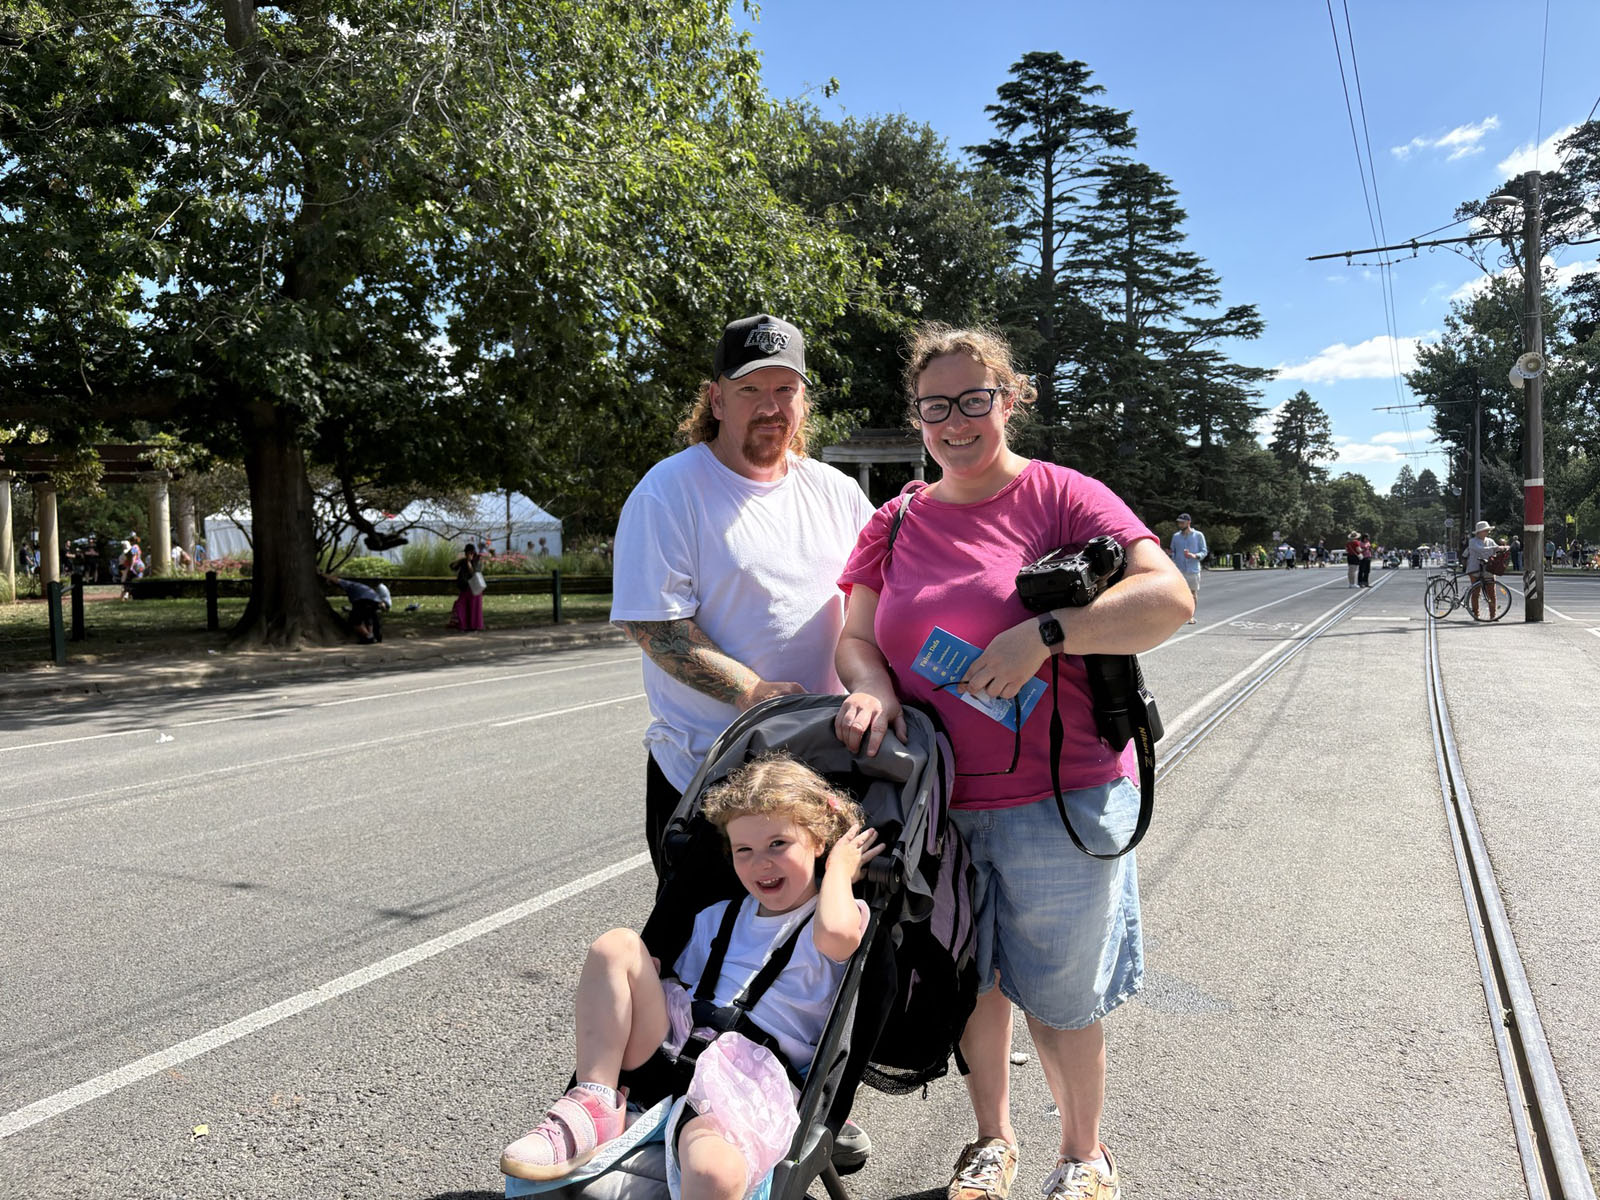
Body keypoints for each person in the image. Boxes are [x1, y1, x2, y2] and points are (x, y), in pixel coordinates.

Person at [832, 324, 1191, 1200]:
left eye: (974, 400)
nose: (955, 422)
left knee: (1060, 998)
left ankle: (1084, 1155)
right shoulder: (896, 520)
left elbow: (1169, 598)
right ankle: (993, 1141)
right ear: (917, 416)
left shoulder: (1063, 496)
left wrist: (1046, 634)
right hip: (937, 800)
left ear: (1010, 398)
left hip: (1059, 801)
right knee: (971, 981)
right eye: (936, 407)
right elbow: (854, 637)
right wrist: (870, 687)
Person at [610, 313, 875, 1168]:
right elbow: (656, 626)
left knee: (819, 956)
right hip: (706, 777)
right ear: (716, 399)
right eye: (752, 389)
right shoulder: (671, 490)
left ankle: (799, 1103)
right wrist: (752, 693)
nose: (770, 406)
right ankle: (650, 1101)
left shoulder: (835, 493)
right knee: (694, 947)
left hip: (820, 778)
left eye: (785, 390)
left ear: (804, 400)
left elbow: (876, 603)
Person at [499, 754, 881, 1199]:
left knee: (714, 1173)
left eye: (778, 844)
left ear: (818, 842)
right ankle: (593, 1104)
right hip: (675, 1046)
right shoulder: (716, 917)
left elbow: (837, 933)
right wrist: (647, 984)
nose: (761, 863)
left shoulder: (834, 918)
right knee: (617, 945)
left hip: (744, 1085)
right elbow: (684, 991)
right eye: (744, 851)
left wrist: (839, 870)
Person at [323, 571, 385, 642]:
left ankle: (369, 636)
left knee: (355, 621)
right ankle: (375, 635)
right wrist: (381, 603)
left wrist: (321, 574)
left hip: (362, 600)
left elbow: (335, 579)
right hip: (374, 600)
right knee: (369, 617)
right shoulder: (358, 586)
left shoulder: (348, 584)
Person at [1463, 520, 1507, 620]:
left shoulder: (1490, 541)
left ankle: (1493, 615)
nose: (1487, 532)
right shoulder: (1472, 542)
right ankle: (1476, 614)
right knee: (1476, 593)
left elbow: (1495, 549)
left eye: (1488, 530)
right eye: (1485, 530)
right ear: (1479, 532)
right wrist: (1497, 548)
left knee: (1491, 593)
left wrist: (1503, 548)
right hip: (1475, 569)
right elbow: (1481, 549)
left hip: (1488, 569)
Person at [1168, 513, 1206, 624]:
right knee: (1178, 594)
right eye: (1179, 523)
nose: (1180, 524)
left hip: (1192, 569)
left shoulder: (1198, 535)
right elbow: (1173, 551)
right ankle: (1179, 615)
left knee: (1192, 593)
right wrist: (1171, 555)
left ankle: (1191, 616)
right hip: (1179, 570)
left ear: (1188, 522)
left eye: (1182, 522)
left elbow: (1204, 551)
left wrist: (1195, 556)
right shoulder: (1176, 536)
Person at [447, 543, 485, 631]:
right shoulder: (463, 561)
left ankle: (473, 626)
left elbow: (473, 573)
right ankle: (463, 625)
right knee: (460, 605)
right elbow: (452, 566)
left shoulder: (477, 560)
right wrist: (461, 560)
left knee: (473, 608)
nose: (467, 554)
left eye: (469, 553)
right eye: (466, 553)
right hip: (465, 587)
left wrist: (469, 562)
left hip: (474, 588)